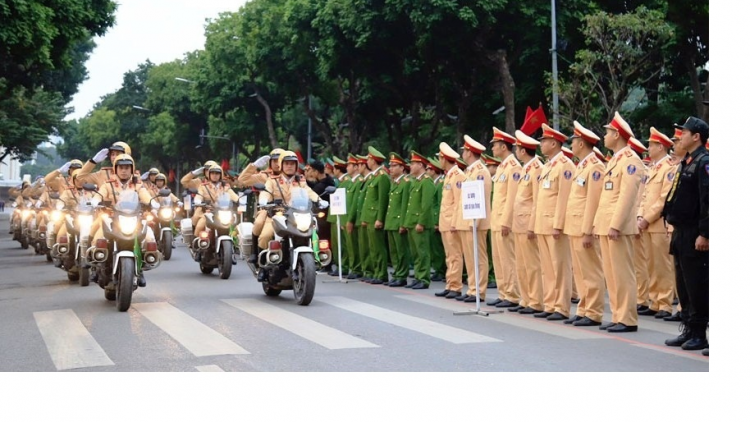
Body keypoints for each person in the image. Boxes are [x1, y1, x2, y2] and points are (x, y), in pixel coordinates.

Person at [594, 111, 645, 333]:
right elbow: (606, 197)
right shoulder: (615, 160)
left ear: (616, 134)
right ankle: (618, 315)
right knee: (612, 274)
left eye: (607, 132)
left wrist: (615, 224)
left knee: (623, 273)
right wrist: (599, 224)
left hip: (618, 227)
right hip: (607, 225)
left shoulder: (631, 161)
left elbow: (626, 197)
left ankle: (627, 318)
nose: (604, 137)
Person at [663, 116, 709, 353]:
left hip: (695, 233)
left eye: (685, 132)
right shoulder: (687, 161)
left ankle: (700, 333)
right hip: (680, 231)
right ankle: (689, 329)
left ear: (696, 136)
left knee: (697, 284)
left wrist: (705, 233)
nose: (680, 135)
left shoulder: (704, 162)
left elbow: (707, 201)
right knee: (683, 284)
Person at [255, 151, 325, 280]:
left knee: (312, 230)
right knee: (265, 236)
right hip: (277, 215)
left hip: (296, 215)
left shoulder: (300, 180)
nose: (290, 166)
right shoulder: (272, 180)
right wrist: (263, 200)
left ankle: (313, 259)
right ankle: (262, 267)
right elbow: (266, 191)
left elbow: (308, 192)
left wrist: (319, 200)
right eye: (287, 163)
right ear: (281, 165)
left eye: (292, 164)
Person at [531, 123, 576, 320]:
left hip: (554, 225)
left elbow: (564, 198)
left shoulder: (565, 166)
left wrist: (559, 224)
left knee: (560, 267)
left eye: (544, 141)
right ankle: (550, 304)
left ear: (554, 143)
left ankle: (561, 306)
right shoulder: (548, 165)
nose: (541, 144)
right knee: (547, 268)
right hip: (543, 223)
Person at [563, 121, 606, 326]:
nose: (571, 145)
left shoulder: (595, 167)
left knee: (591, 271)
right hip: (575, 226)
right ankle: (583, 308)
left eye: (574, 141)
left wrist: (588, 230)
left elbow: (593, 201)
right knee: (580, 272)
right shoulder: (582, 166)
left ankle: (594, 311)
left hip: (584, 228)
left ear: (581, 144)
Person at [91, 154, 154, 288]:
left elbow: (145, 196)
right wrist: (95, 201)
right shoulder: (108, 185)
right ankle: (96, 264)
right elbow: (99, 195)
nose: (124, 170)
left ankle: (141, 268)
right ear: (116, 169)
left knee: (149, 237)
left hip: (134, 219)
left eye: (127, 167)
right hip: (112, 219)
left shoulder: (138, 185)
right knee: (97, 237)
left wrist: (152, 203)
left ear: (132, 169)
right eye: (121, 168)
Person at [637, 128, 677, 319]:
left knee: (663, 266)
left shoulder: (669, 168)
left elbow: (664, 199)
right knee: (650, 264)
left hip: (658, 223)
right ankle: (654, 300)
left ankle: (665, 303)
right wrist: (639, 216)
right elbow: (644, 196)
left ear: (660, 147)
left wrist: (646, 218)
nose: (648, 148)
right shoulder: (653, 167)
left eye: (651, 145)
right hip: (647, 224)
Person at [453, 135, 492, 302]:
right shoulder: (470, 171)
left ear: (469, 153)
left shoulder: (481, 171)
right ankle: (472, 288)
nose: (463, 153)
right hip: (467, 220)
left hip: (475, 222)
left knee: (478, 257)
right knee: (469, 257)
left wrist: (472, 221)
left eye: (465, 151)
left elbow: (480, 198)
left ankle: (478, 291)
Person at [487, 128, 522, 308]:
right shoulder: (502, 167)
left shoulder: (514, 168)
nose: (492, 148)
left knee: (508, 258)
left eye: (495, 145)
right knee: (499, 259)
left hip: (505, 220)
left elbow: (512, 197)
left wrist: (507, 220)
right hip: (496, 219)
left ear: (503, 146)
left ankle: (512, 294)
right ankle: (503, 292)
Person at [511, 131, 544, 314]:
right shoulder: (526, 168)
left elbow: (537, 200)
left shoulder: (537, 168)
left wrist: (532, 225)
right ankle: (526, 298)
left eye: (517, 148)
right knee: (522, 264)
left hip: (528, 224)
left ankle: (536, 300)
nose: (516, 151)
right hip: (519, 223)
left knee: (532, 264)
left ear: (523, 151)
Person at [434, 143, 466, 298]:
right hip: (445, 222)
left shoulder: (458, 175)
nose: (438, 161)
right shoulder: (449, 175)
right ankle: (450, 283)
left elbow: (459, 201)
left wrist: (455, 222)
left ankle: (455, 286)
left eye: (439, 157)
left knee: (455, 255)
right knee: (449, 255)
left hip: (452, 222)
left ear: (444, 158)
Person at [404, 151, 435, 289]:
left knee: (422, 252)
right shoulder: (416, 182)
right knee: (415, 253)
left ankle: (424, 278)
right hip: (412, 222)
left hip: (419, 223)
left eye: (413, 163)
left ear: (420, 165)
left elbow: (426, 205)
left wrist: (421, 222)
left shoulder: (426, 182)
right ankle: (418, 276)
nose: (410, 166)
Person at [360, 147, 390, 285]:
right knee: (372, 247)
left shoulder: (382, 177)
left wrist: (379, 218)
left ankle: (382, 273)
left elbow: (382, 200)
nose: (367, 161)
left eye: (368, 159)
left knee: (378, 247)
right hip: (370, 217)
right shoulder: (374, 177)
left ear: (373, 160)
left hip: (375, 217)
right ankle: (376, 272)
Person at [384, 153, 412, 287]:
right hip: (391, 221)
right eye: (390, 166)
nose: (391, 168)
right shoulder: (394, 183)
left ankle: (402, 275)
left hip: (398, 222)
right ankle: (396, 273)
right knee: (394, 251)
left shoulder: (405, 183)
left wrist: (403, 224)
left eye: (394, 166)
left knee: (401, 251)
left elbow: (405, 204)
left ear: (402, 168)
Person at [326, 156, 351, 276]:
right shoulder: (341, 182)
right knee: (336, 244)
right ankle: (340, 265)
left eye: (334, 169)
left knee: (342, 244)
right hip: (334, 216)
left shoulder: (346, 182)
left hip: (341, 217)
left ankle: (344, 266)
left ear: (338, 170)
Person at [426, 158, 446, 284]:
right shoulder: (435, 183)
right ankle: (438, 269)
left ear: (434, 171)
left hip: (437, 220)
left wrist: (438, 222)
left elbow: (439, 205)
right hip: (433, 220)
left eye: (429, 169)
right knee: (434, 248)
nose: (427, 171)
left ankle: (440, 270)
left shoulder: (440, 184)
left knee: (438, 249)